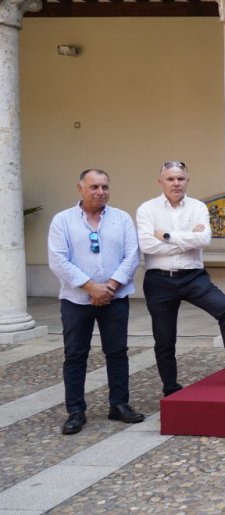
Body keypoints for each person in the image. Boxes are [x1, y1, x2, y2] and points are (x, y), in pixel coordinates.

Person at [137, 160, 225, 393]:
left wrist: (167, 236)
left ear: (187, 181)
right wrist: (188, 239)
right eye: (170, 179)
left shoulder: (198, 207)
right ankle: (170, 387)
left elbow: (204, 240)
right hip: (159, 280)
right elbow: (147, 245)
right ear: (161, 181)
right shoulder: (147, 209)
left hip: (193, 278)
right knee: (164, 337)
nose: (176, 183)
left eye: (180, 179)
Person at [49, 169, 145, 435]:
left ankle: (119, 404)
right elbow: (58, 260)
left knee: (117, 352)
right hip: (76, 300)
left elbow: (132, 255)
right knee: (75, 355)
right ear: (80, 188)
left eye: (104, 187)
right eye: (94, 187)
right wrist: (90, 287)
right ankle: (76, 411)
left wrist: (110, 287)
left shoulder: (121, 219)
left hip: (115, 298)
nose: (100, 192)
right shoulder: (62, 221)